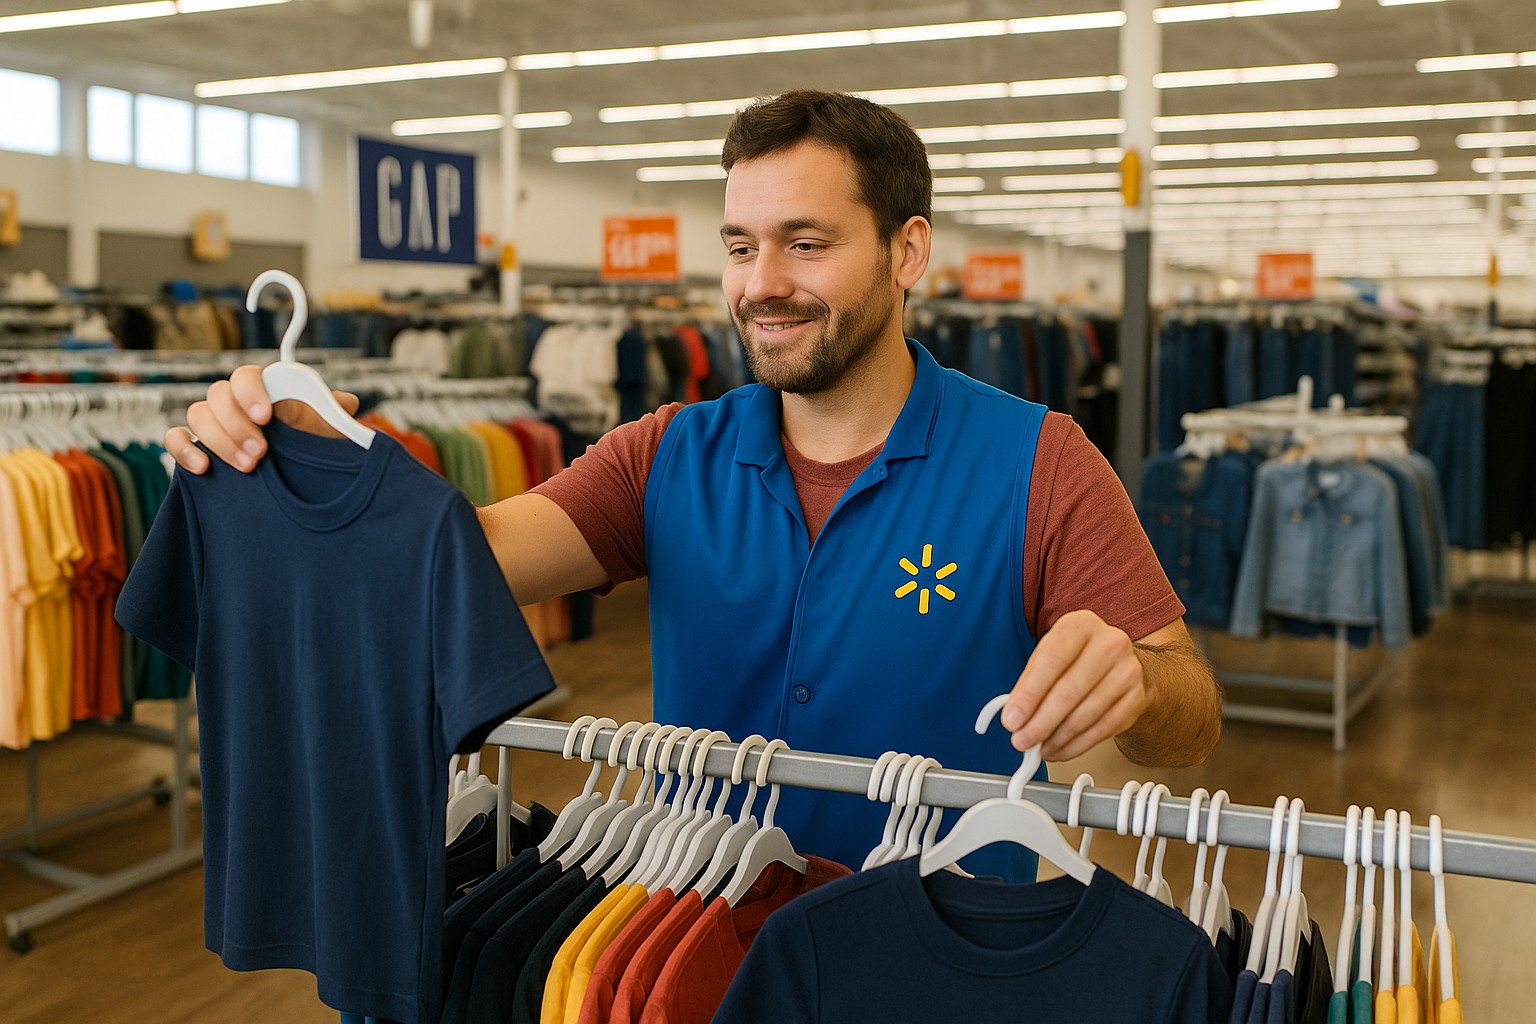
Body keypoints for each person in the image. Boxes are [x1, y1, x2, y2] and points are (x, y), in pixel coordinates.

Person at [167, 89, 1221, 878]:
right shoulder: (665, 452)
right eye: (741, 246)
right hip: (692, 938)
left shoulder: (1038, 460)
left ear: (908, 252)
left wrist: (1133, 675)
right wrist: (304, 447)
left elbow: (1189, 718)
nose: (763, 283)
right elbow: (464, 552)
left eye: (806, 244)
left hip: (935, 956)